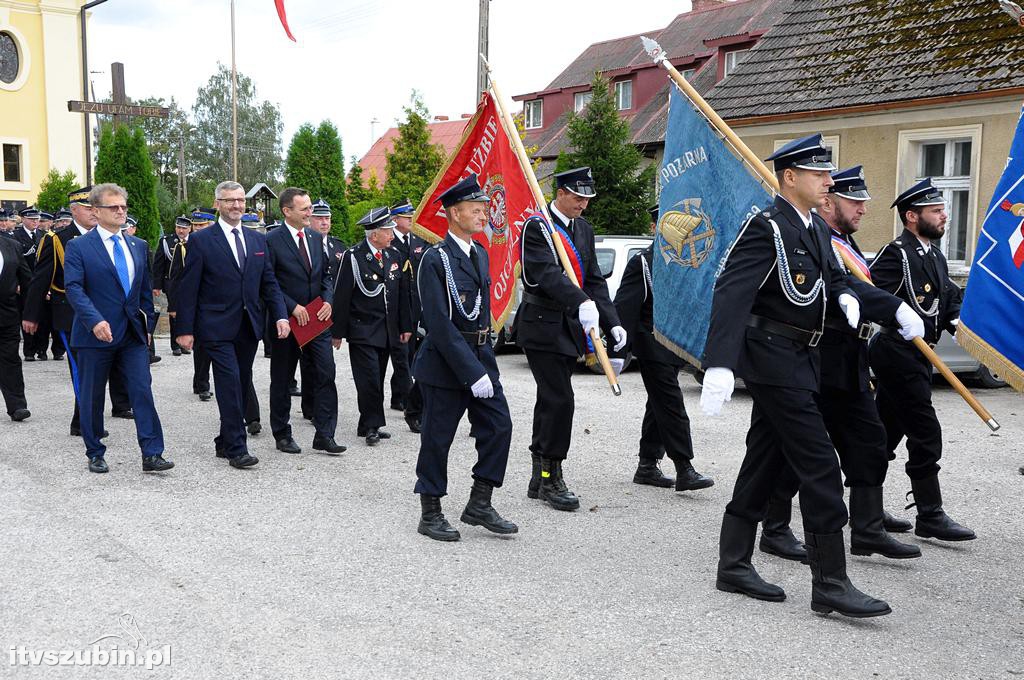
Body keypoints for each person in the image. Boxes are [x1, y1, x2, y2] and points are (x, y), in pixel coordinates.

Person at [700, 134, 890, 618]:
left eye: (827, 173)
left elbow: (838, 278)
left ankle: (733, 563)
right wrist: (719, 363)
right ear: (789, 177)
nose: (829, 181)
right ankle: (830, 582)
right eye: (818, 172)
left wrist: (872, 303)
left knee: (763, 460)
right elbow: (731, 292)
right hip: (772, 361)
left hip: (803, 361)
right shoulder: (767, 227)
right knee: (821, 466)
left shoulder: (812, 228)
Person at [757, 167, 924, 563]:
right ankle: (775, 528)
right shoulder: (815, 238)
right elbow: (853, 290)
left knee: (870, 442)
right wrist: (894, 306)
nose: (864, 209)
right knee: (789, 451)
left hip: (850, 361)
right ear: (829, 203)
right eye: (855, 201)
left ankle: (867, 529)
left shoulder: (843, 242)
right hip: (813, 359)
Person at [513, 167, 627, 511]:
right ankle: (552, 478)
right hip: (542, 323)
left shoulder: (584, 229)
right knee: (560, 400)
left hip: (570, 328)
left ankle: (538, 477)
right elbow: (545, 274)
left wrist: (613, 321)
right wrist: (581, 302)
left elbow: (593, 280)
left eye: (587, 199)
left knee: (550, 400)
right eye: (578, 197)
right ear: (560, 192)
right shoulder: (538, 227)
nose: (583, 204)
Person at [867, 178, 974, 541]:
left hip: (920, 356)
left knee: (884, 434)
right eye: (936, 211)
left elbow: (947, 298)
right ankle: (930, 514)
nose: (945, 216)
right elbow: (872, 296)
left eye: (943, 209)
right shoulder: (895, 254)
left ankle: (867, 508)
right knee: (926, 432)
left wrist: (958, 320)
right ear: (912, 216)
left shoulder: (935, 256)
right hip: (897, 352)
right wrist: (897, 316)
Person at [412, 174, 516, 542]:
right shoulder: (434, 259)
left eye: (485, 209)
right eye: (477, 209)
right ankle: (430, 511)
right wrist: (472, 371)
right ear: (454, 213)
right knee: (438, 438)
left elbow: (480, 310)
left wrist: (484, 361)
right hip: (444, 365)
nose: (484, 214)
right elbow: (438, 324)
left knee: (499, 426)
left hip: (479, 356)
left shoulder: (481, 253)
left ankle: (480, 502)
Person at [173, 181, 290, 469]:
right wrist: (184, 330)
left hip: (248, 327)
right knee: (228, 383)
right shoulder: (201, 241)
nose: (237, 206)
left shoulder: (257, 240)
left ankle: (223, 441)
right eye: (229, 201)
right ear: (217, 204)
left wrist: (280, 315)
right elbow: (189, 289)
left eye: (240, 200)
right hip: (215, 326)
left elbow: (269, 283)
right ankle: (237, 448)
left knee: (239, 381)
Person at [63, 184, 172, 474]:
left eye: (123, 206)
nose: (121, 211)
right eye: (114, 207)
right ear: (96, 211)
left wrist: (147, 324)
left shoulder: (138, 245)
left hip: (133, 335)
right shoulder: (79, 247)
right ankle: (95, 451)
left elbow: (145, 291)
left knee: (142, 391)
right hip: (94, 334)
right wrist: (94, 320)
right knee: (92, 394)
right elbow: (74, 289)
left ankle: (152, 453)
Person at [611, 206, 714, 492]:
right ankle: (685, 468)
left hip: (676, 345)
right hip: (651, 343)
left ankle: (646, 466)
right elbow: (626, 306)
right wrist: (619, 353)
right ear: (654, 226)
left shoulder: (687, 260)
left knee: (657, 405)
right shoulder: (643, 262)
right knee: (671, 404)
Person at [22, 186, 132, 436]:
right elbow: (40, 279)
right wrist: (31, 315)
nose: (93, 212)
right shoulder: (58, 239)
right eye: (87, 208)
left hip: (103, 315)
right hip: (70, 315)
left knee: (102, 368)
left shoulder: (109, 237)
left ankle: (85, 419)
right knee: (82, 370)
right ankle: (84, 422)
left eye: (95, 207)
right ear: (74, 210)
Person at [265, 187, 343, 455]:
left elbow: (326, 276)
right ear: (287, 211)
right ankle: (282, 433)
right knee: (283, 379)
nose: (311, 213)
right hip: (287, 321)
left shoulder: (314, 237)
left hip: (316, 321)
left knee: (326, 373)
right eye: (305, 209)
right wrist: (291, 306)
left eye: (310, 207)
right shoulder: (272, 240)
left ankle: (324, 434)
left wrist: (328, 301)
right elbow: (268, 281)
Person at [331, 207, 412, 446]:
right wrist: (337, 332)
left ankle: (365, 422)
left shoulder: (394, 255)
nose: (392, 234)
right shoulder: (354, 256)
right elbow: (342, 295)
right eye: (388, 231)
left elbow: (402, 294)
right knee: (367, 379)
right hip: (362, 329)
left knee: (377, 378)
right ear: (374, 235)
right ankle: (373, 426)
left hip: (387, 330)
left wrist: (405, 325)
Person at [389, 197, 428, 433]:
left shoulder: (418, 240)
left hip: (414, 307)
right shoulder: (388, 239)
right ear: (395, 220)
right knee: (402, 358)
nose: (411, 220)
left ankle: (397, 397)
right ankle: (410, 406)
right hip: (394, 310)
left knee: (411, 354)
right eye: (406, 216)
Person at [0, 232, 31, 421]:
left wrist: (31, 312)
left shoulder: (12, 246)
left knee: (10, 360)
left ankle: (17, 405)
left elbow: (27, 280)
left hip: (7, 315)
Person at [154, 215, 190, 356]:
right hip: (172, 283)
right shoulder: (166, 241)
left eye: (184, 228)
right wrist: (156, 285)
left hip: (188, 284)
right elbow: (158, 264)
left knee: (186, 313)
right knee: (174, 313)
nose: (181, 231)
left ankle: (184, 343)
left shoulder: (194, 241)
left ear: (189, 229)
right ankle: (175, 344)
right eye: (179, 227)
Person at [13, 207, 42, 361]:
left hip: (40, 281)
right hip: (24, 284)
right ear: (23, 219)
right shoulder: (16, 236)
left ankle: (41, 349)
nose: (35, 222)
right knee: (27, 314)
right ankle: (29, 351)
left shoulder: (43, 235)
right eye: (32, 219)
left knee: (42, 316)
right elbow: (15, 263)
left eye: (37, 219)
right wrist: (16, 283)